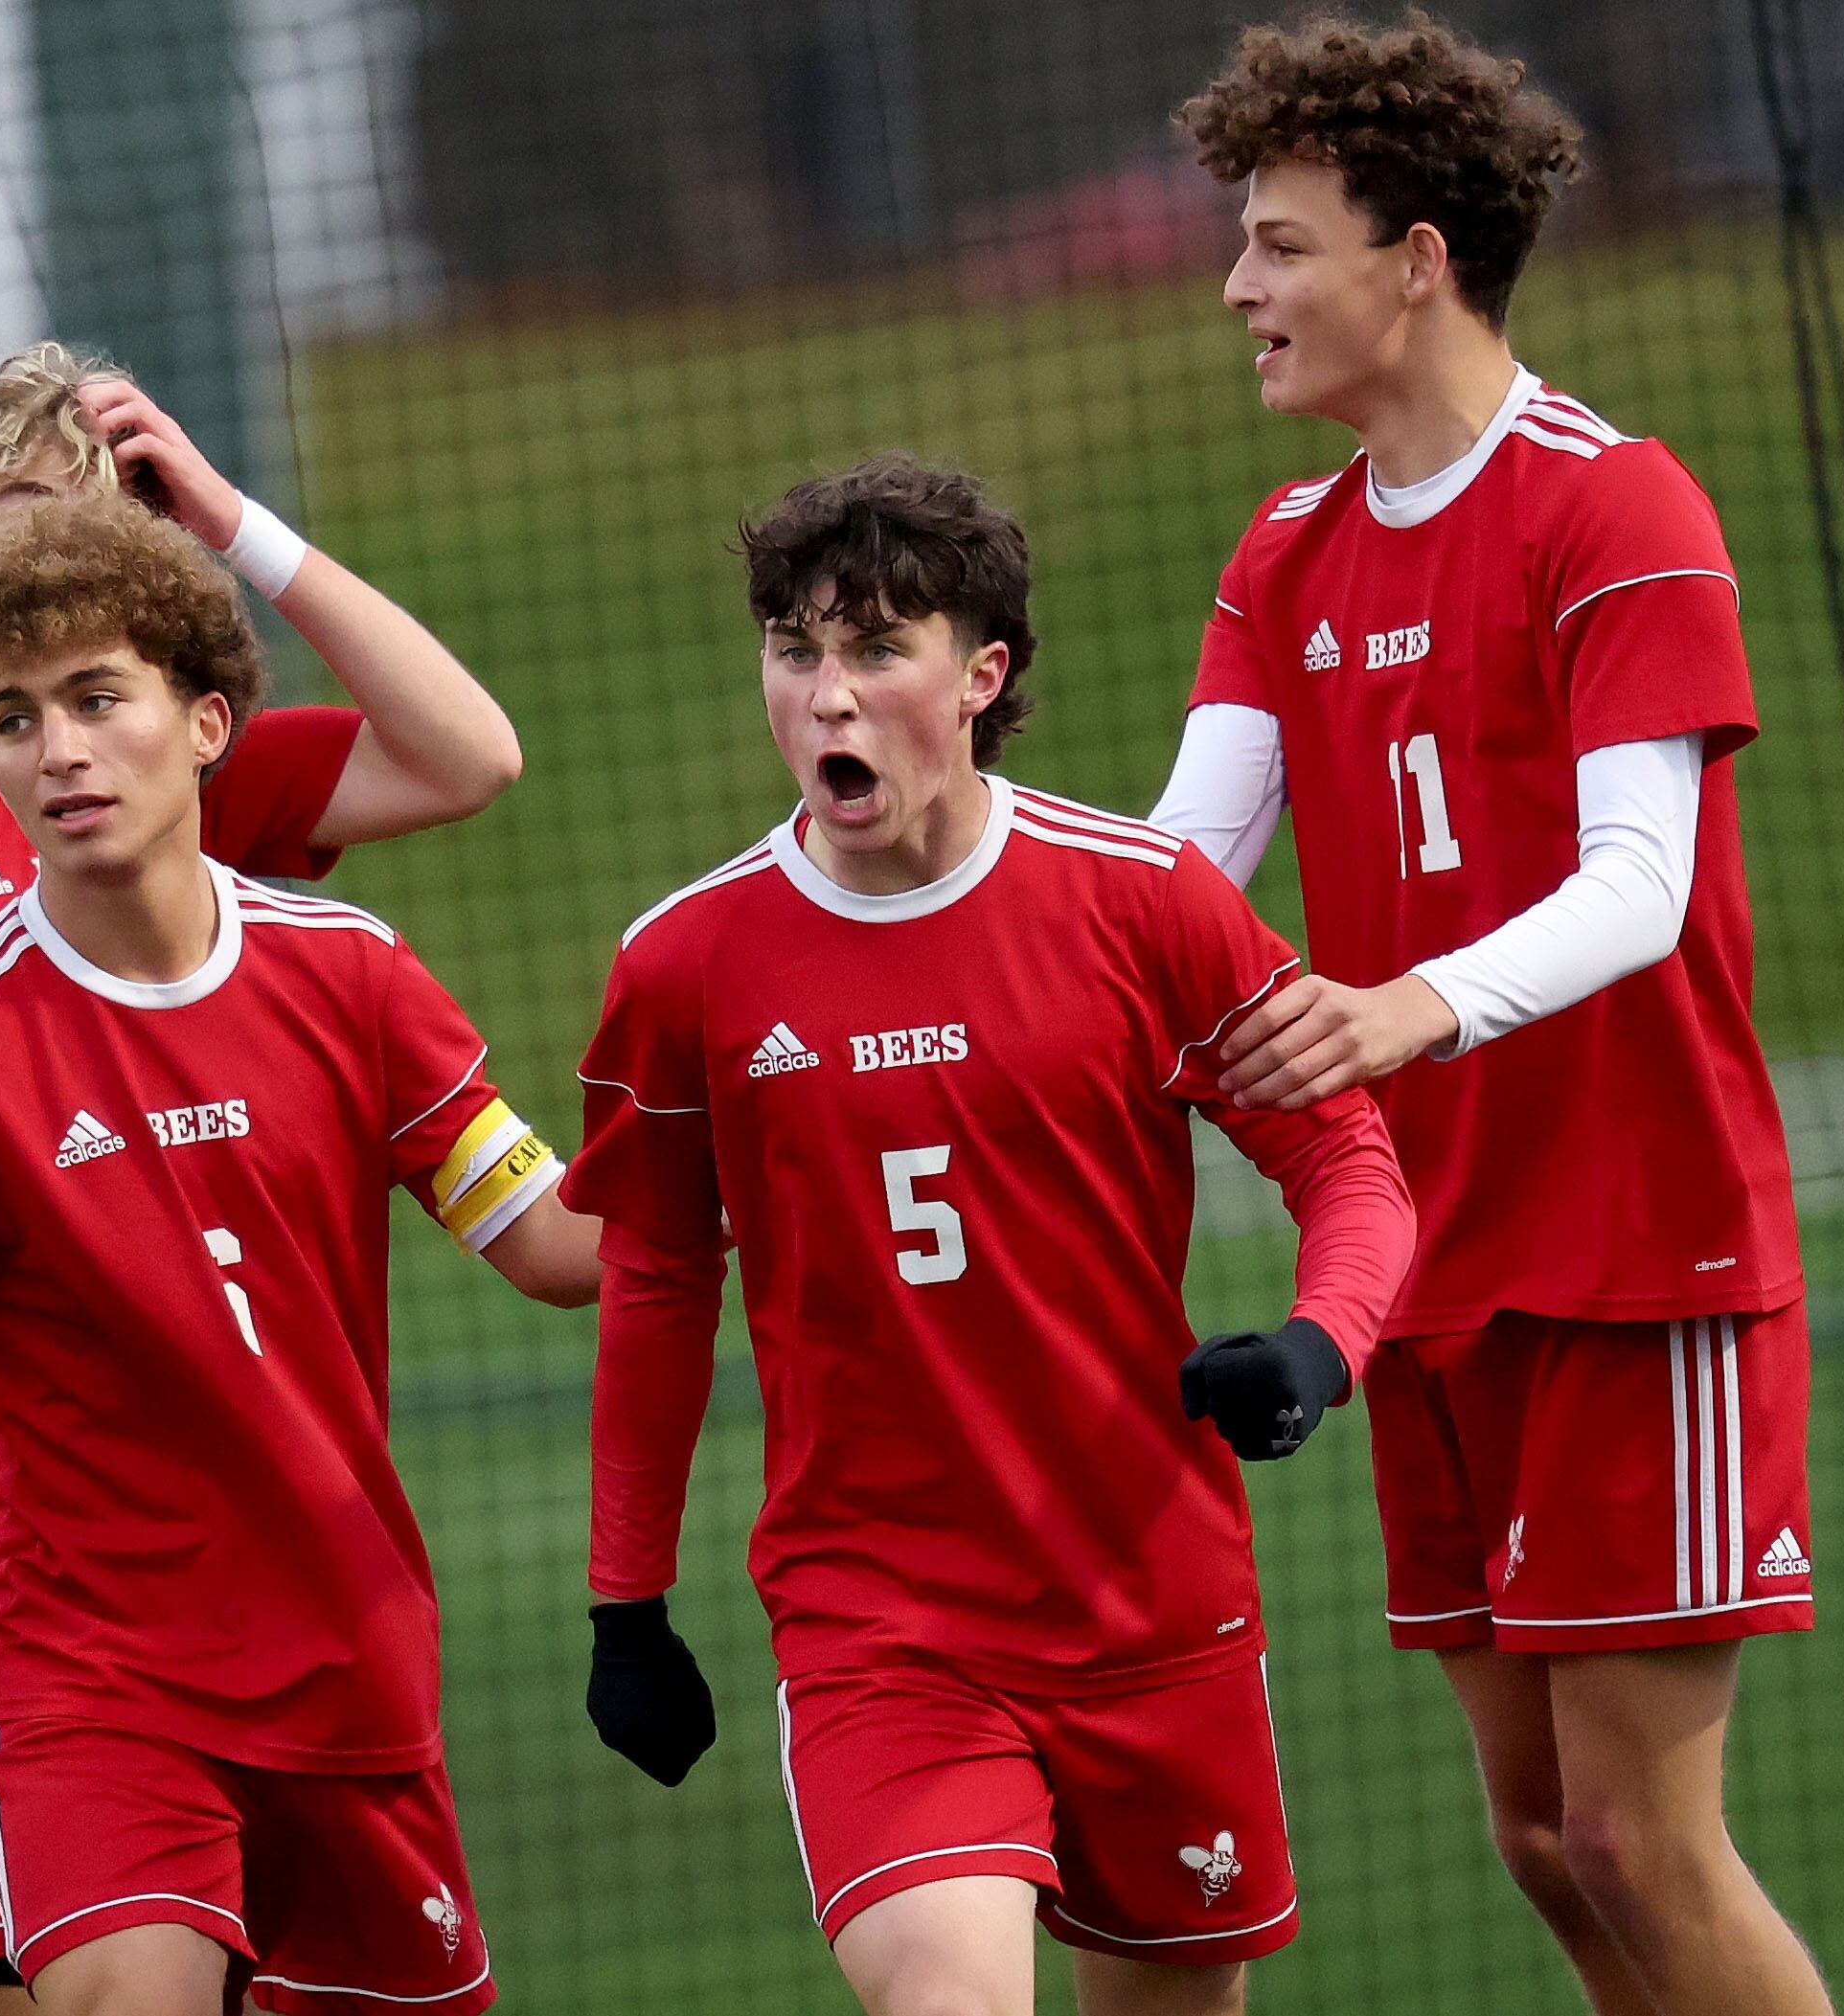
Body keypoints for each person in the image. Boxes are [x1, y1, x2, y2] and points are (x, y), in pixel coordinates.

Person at [0, 489, 600, 2016]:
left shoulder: (350, 976)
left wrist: (750, 1140)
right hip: (91, 1680)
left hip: (349, 1672)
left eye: (95, 700)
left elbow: (557, 1243)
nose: (58, 749)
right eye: (11, 718)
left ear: (207, 722)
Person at [1150, 17, 1830, 2015]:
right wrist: (956, 911)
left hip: (1640, 1248)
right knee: (1544, 1846)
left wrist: (1398, 1012)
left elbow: (1638, 882)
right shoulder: (1283, 551)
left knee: (1639, 1838)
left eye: (1278, 243)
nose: (1235, 287)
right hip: (1432, 1270)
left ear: (1416, 259)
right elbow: (1185, 867)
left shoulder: (1611, 506)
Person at [569, 454, 1416, 2016]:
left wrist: (1318, 1343)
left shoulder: (1143, 902)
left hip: (1151, 1602)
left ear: (981, 674)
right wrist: (626, 1598)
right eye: (793, 649)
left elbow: (1351, 1162)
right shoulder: (684, 966)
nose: (826, 693)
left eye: (876, 648)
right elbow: (657, 1275)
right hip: (880, 1629)